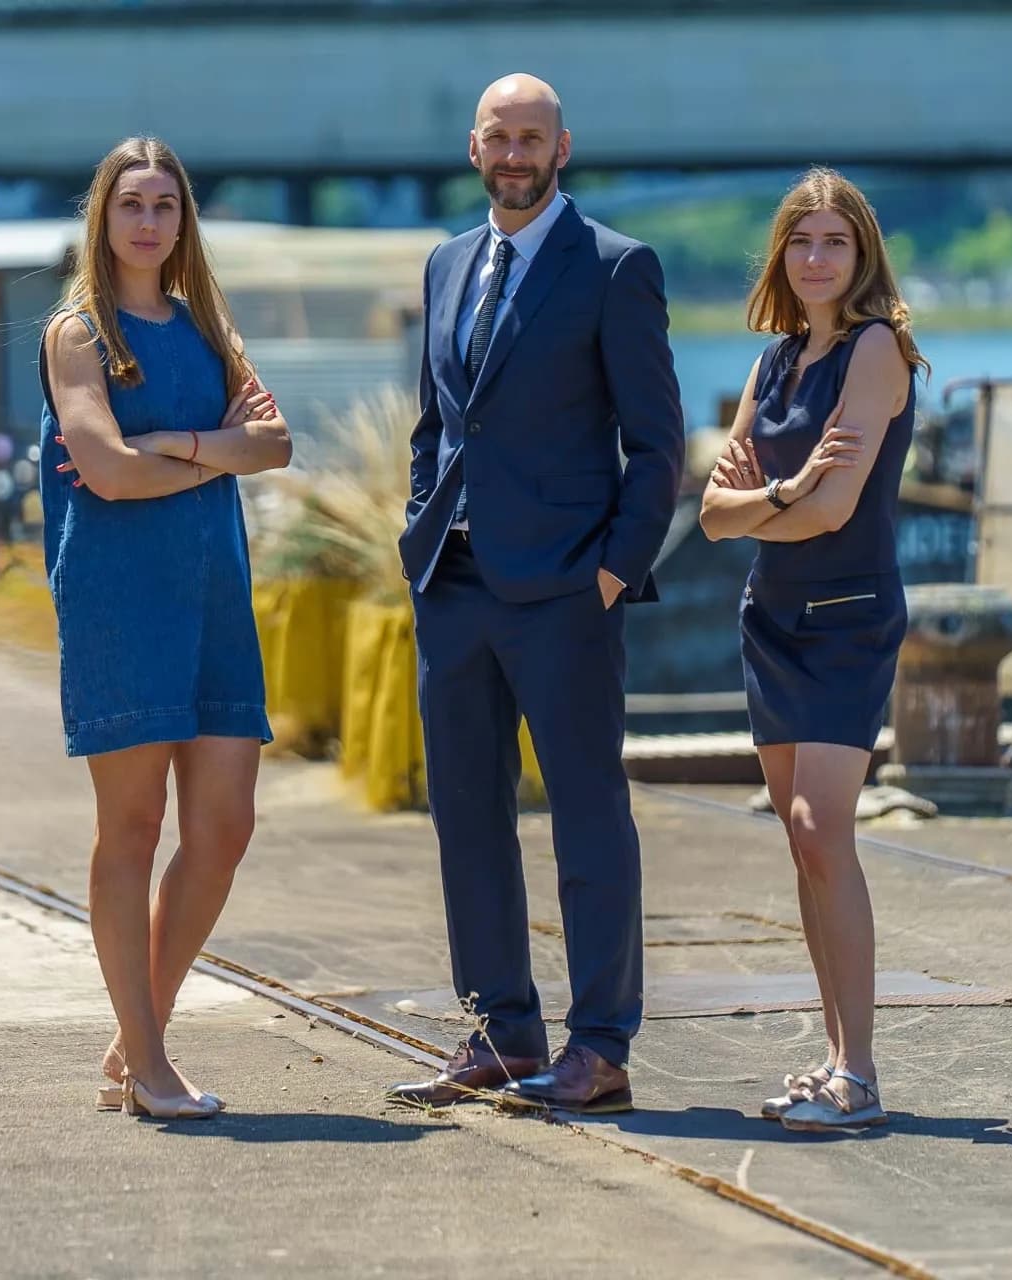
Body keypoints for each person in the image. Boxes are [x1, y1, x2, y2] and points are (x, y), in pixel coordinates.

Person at [386, 74, 684, 1114]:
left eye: (532, 138)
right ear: (474, 148)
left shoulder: (614, 268)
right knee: (466, 815)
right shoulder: (446, 262)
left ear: (563, 148)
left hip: (565, 590)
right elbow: (437, 425)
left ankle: (598, 1045)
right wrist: (417, 525)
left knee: (587, 816)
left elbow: (657, 447)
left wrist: (612, 570)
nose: (514, 153)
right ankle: (501, 1029)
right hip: (453, 586)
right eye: (498, 137)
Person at [39, 136, 291, 1120]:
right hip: (120, 597)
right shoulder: (78, 335)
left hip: (216, 595)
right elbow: (103, 470)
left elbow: (273, 442)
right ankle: (149, 1062)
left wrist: (174, 444)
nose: (149, 221)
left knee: (224, 825)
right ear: (102, 218)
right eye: (131, 203)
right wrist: (214, 453)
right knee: (133, 829)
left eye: (166, 205)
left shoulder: (210, 329)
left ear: (184, 222)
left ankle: (135, 1033)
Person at [698, 167, 927, 1131]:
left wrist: (776, 500)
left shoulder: (878, 351)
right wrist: (783, 497)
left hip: (847, 617)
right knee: (801, 840)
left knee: (818, 823)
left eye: (835, 241)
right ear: (781, 257)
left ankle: (861, 1075)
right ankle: (833, 1061)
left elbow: (839, 511)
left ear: (861, 253)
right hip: (772, 618)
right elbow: (713, 516)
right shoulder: (773, 363)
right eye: (802, 241)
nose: (817, 257)